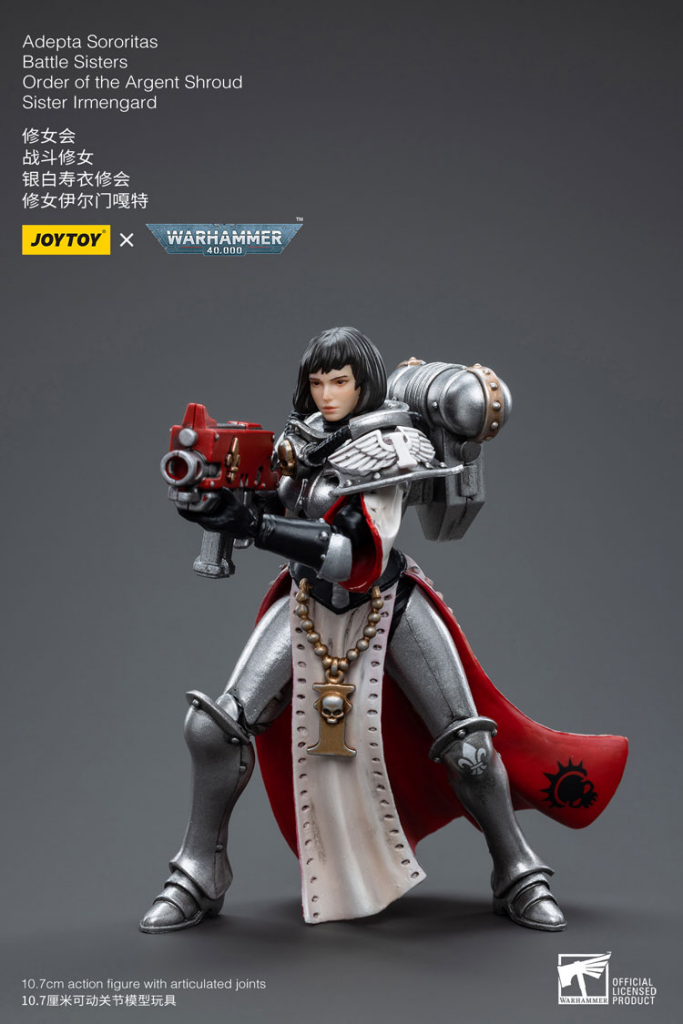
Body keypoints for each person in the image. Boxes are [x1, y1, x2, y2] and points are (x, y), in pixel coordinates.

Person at [140, 326, 627, 933]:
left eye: (340, 381)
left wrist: (256, 528)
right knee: (213, 730)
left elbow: (354, 555)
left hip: (387, 602)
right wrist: (219, 506)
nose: (327, 394)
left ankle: (518, 871)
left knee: (469, 747)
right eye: (318, 381)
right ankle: (199, 873)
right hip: (307, 602)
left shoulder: (393, 448)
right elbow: (278, 508)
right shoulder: (302, 438)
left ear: (364, 383)